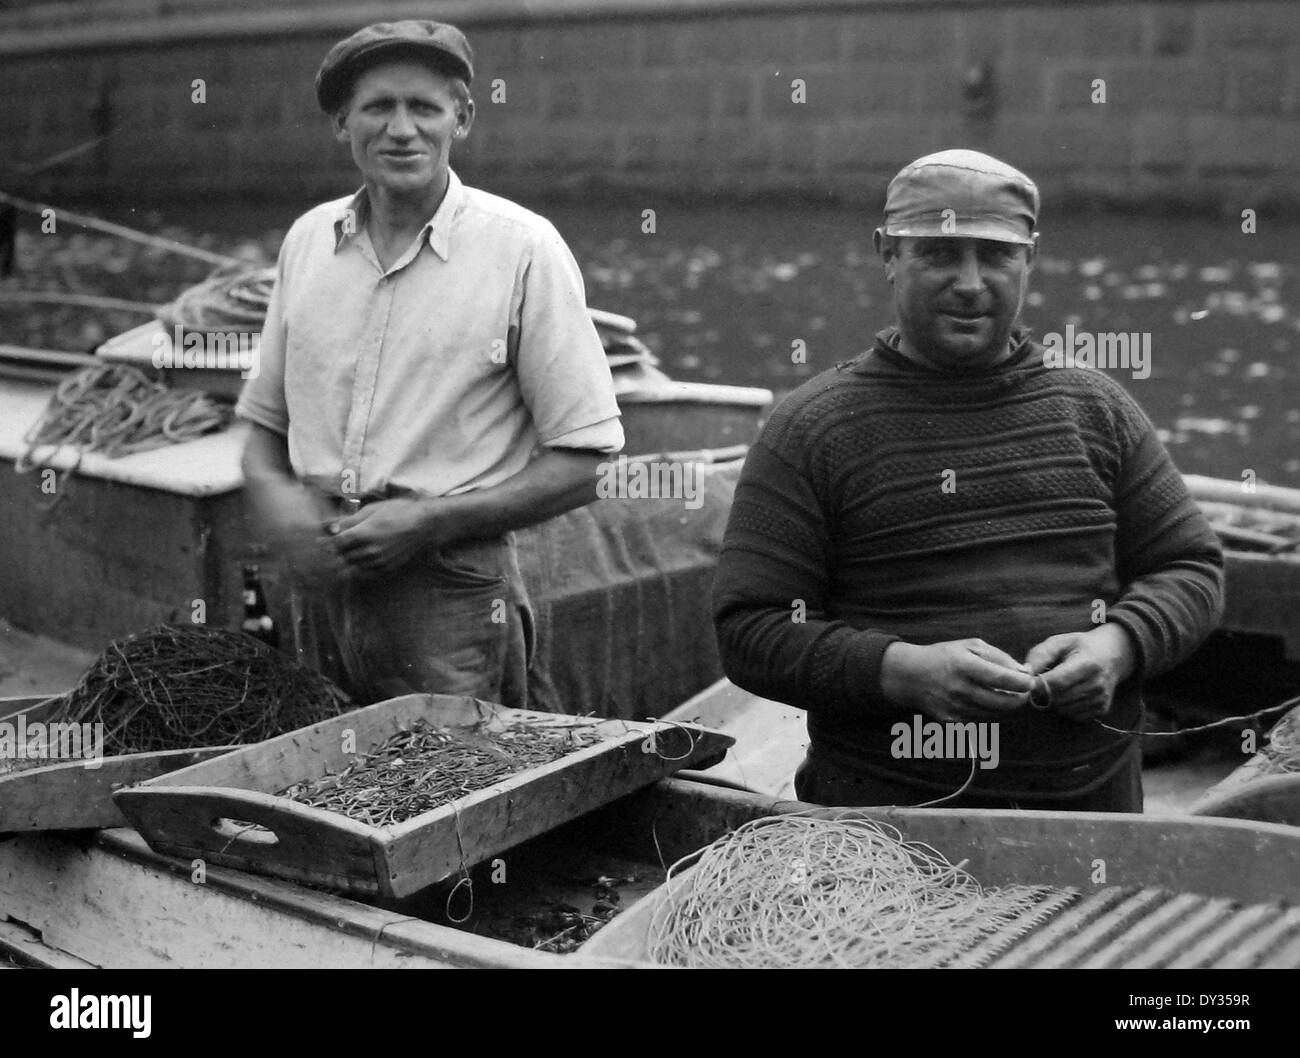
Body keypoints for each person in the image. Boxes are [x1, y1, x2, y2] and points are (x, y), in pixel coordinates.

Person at [712, 149, 1224, 812]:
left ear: (1031, 260)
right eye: (940, 255)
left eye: (996, 255)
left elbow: (1192, 568)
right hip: (888, 828)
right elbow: (749, 629)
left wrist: (1116, 645)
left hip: (1097, 819)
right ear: (887, 254)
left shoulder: (1096, 409)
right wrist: (903, 672)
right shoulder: (812, 429)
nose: (971, 283)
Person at [236, 21, 623, 707]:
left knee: (452, 790)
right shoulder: (306, 242)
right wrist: (284, 510)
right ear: (341, 124)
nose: (401, 129)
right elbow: (264, 432)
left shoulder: (523, 249)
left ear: (462, 118)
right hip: (318, 579)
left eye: (424, 107)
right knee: (320, 778)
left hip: (449, 589)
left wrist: (426, 524)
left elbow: (590, 461)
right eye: (378, 107)